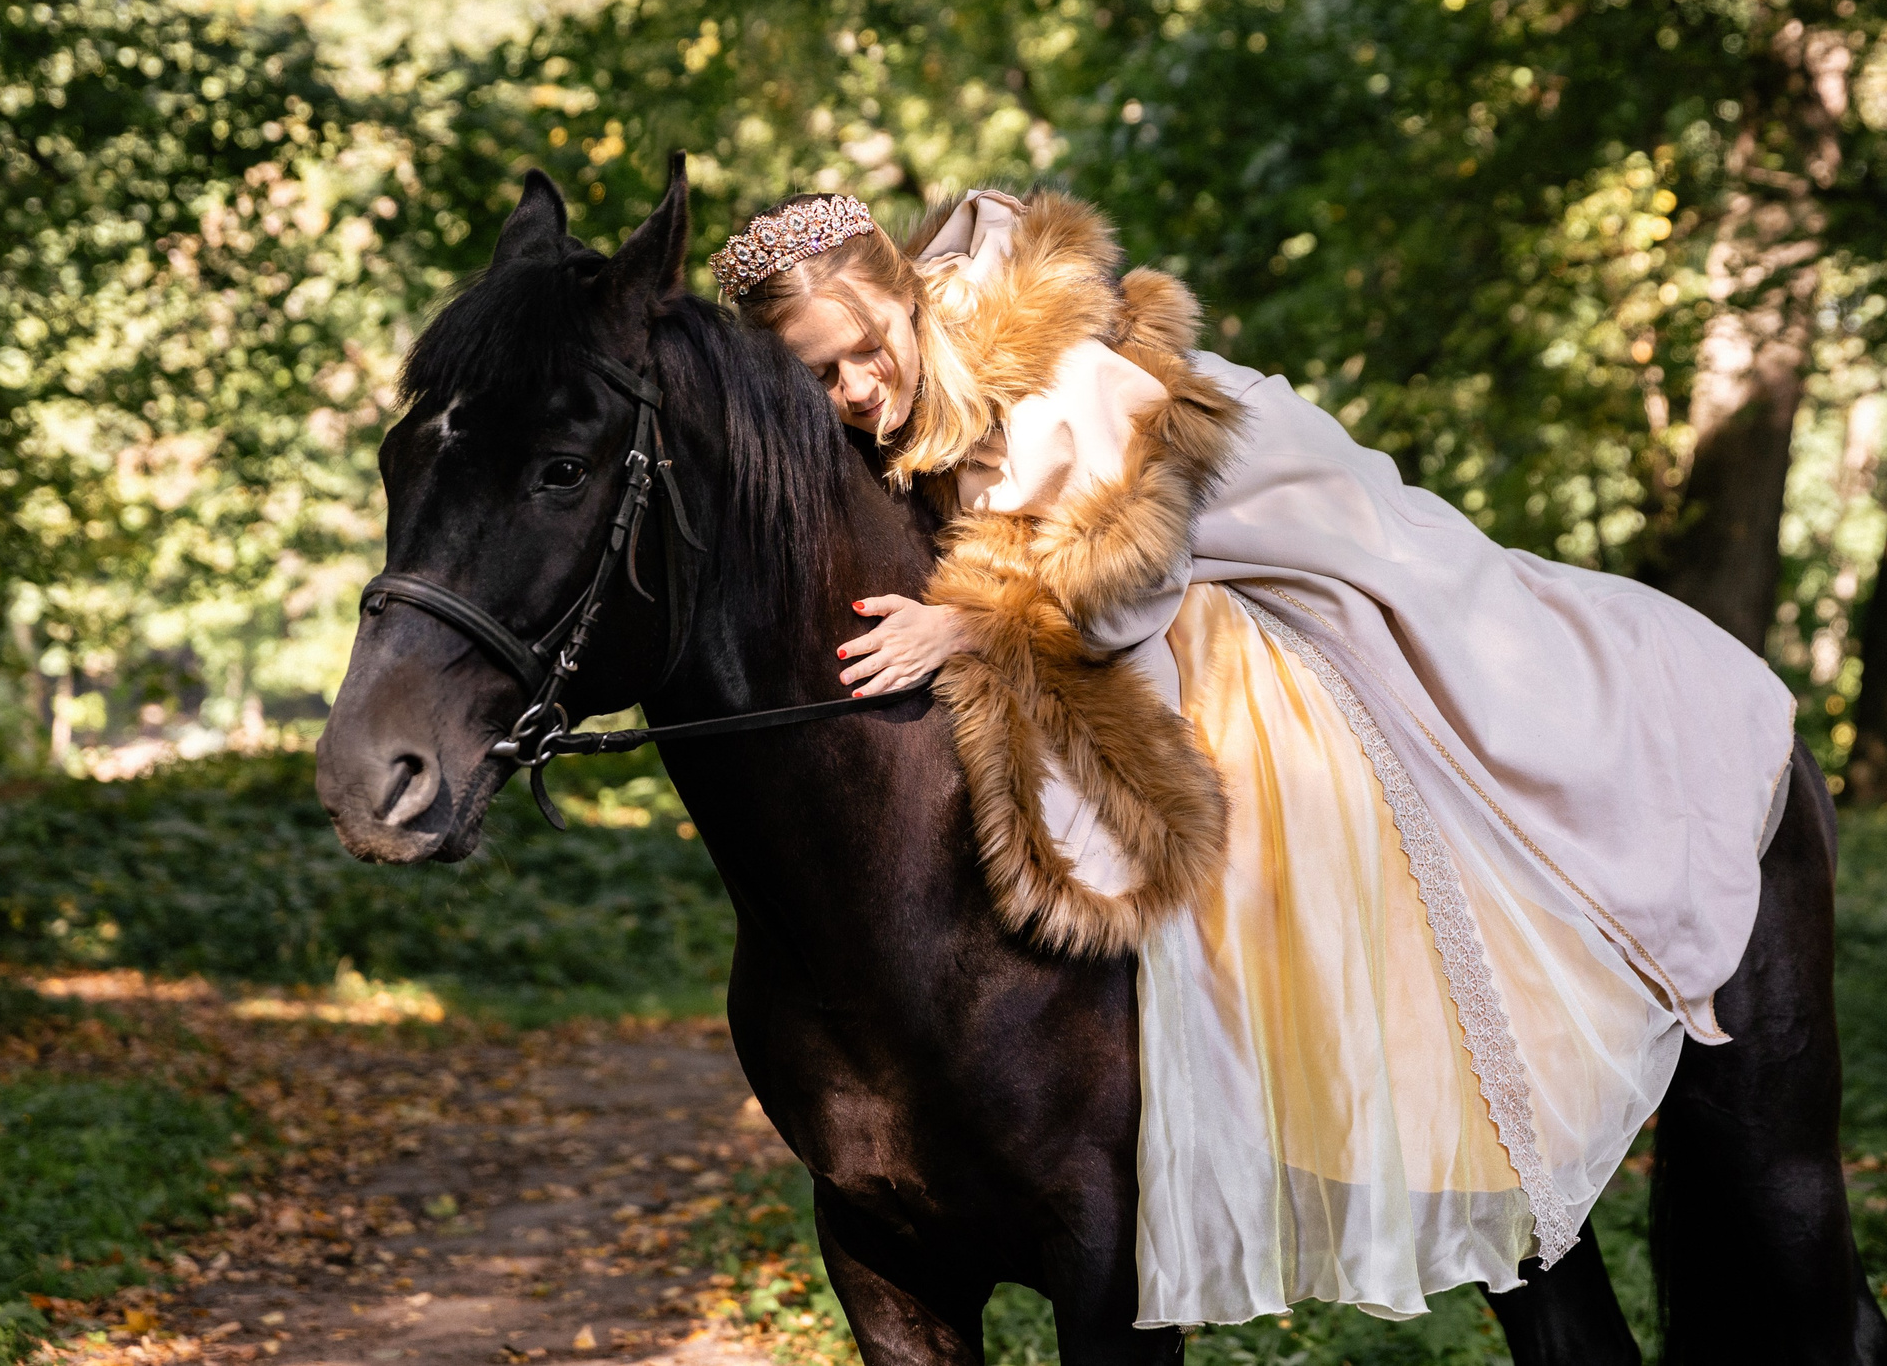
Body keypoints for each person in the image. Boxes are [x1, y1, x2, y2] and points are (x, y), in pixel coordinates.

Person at [713, 186, 1796, 1326]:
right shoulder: (877, 405)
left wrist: (970, 624)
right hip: (1097, 564)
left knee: (1335, 707)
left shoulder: (1042, 368)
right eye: (819, 377)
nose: (854, 392)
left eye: (866, 352)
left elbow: (1130, 574)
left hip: (1237, 529)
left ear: (905, 296)